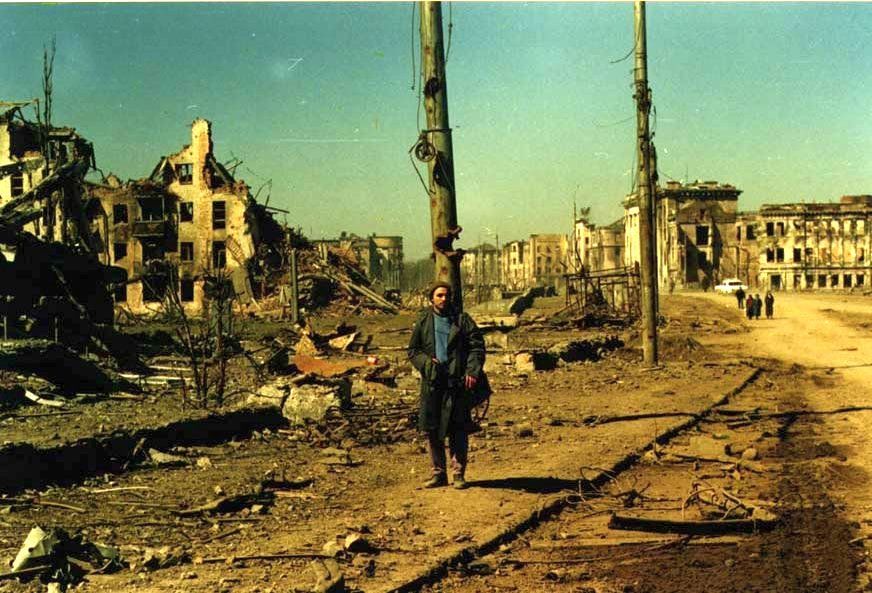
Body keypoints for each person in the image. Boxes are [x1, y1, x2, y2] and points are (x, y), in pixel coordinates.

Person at [408, 281, 490, 490]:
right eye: (439, 295)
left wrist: (472, 370)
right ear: (431, 299)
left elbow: (477, 346)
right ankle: (438, 474)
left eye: (446, 295)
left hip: (457, 383)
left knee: (458, 429)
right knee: (433, 429)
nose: (444, 299)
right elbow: (414, 351)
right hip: (433, 383)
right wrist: (427, 364)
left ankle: (458, 473)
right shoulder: (423, 321)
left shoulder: (462, 320)